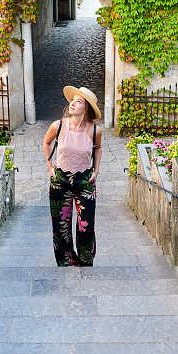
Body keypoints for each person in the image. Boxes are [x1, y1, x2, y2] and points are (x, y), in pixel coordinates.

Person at [42, 86, 102, 266]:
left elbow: (98, 149)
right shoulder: (58, 125)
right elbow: (46, 142)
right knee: (61, 224)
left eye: (79, 101)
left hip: (85, 181)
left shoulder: (95, 130)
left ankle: (85, 260)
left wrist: (96, 170)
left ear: (87, 109)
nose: (73, 104)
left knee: (87, 224)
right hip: (60, 180)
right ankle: (66, 261)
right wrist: (50, 167)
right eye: (72, 100)